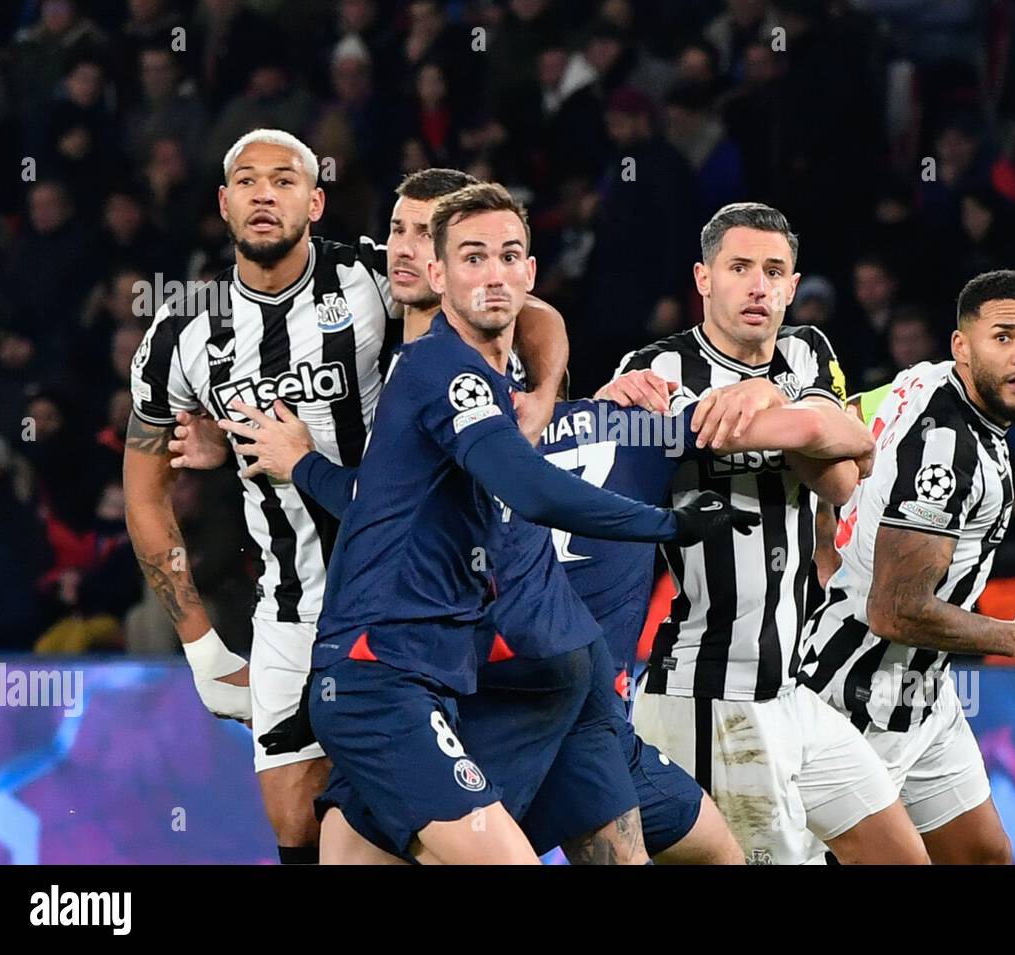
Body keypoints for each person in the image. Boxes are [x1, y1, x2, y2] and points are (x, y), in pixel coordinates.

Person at [124, 134, 569, 864]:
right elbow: (144, 493)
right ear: (223, 203)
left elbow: (532, 310)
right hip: (296, 608)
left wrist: (543, 393)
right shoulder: (181, 335)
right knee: (300, 824)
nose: (265, 194)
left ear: (316, 200)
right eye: (246, 180)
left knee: (423, 826)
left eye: (284, 181)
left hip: (420, 599)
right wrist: (201, 646)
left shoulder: (370, 274)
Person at [284, 182, 750, 864]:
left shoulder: (500, 387)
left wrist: (546, 392)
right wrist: (667, 525)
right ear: (439, 274)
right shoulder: (438, 368)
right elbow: (529, 489)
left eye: (509, 256)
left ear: (531, 274)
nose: (493, 272)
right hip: (380, 680)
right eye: (472, 257)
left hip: (465, 681)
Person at [602, 202, 924, 865]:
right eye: (739, 267)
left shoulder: (807, 349)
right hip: (708, 692)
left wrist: (774, 401)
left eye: (774, 271)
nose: (758, 286)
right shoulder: (655, 373)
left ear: (793, 284)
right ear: (703, 278)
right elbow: (831, 445)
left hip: (789, 689)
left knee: (901, 855)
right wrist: (799, 421)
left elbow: (844, 471)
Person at [799, 270, 1015, 864]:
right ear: (963, 345)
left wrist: (827, 535)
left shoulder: (924, 380)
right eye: (1004, 337)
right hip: (858, 700)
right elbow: (894, 609)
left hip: (924, 694)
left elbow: (841, 424)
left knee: (982, 856)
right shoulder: (946, 450)